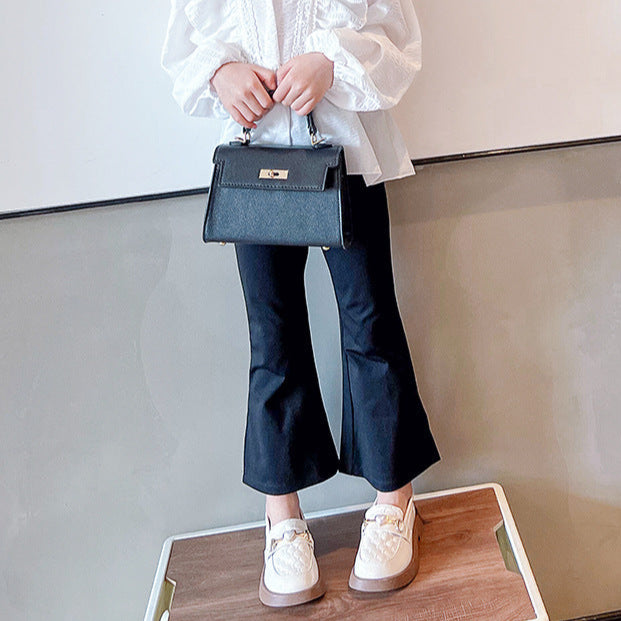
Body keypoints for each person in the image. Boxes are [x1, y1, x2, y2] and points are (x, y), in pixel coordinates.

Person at [161, 0, 441, 607]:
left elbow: (398, 39)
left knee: (370, 322)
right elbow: (183, 49)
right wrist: (220, 73)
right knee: (273, 334)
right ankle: (282, 518)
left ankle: (395, 501)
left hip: (347, 154)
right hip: (252, 161)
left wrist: (330, 63)